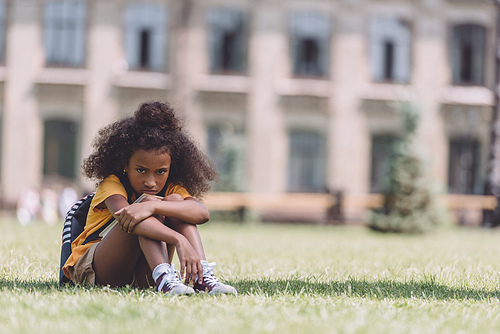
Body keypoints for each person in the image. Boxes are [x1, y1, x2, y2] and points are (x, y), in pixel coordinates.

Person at [62, 101, 237, 296]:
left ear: (171, 168)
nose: (151, 182)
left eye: (161, 172)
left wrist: (155, 206)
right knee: (143, 208)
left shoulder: (171, 187)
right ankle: (164, 278)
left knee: (174, 202)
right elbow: (127, 217)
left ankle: (201, 278)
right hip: (96, 269)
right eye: (141, 170)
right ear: (125, 164)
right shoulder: (111, 184)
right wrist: (178, 239)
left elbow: (202, 213)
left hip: (141, 275)